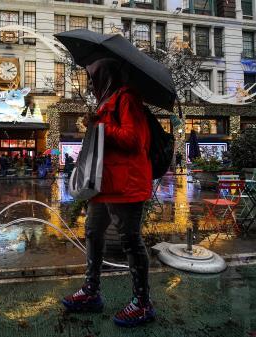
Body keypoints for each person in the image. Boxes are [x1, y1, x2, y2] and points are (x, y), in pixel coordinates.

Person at [61, 58, 155, 327]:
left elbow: (133, 139)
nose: (90, 85)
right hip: (103, 185)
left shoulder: (127, 99)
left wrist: (101, 126)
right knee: (92, 231)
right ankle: (91, 291)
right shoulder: (106, 103)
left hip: (125, 185)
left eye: (93, 78)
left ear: (106, 76)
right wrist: (95, 121)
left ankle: (142, 303)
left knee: (130, 240)